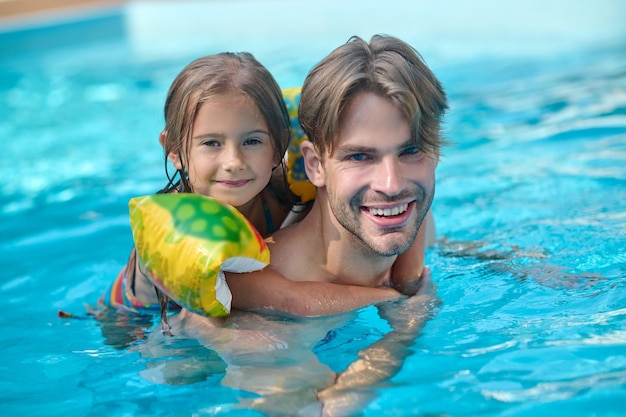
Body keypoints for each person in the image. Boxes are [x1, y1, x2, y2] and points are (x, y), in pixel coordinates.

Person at [163, 34, 448, 415]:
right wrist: (402, 334)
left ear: (435, 153)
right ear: (315, 165)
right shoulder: (258, 327)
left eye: (410, 150)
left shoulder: (412, 220)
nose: (392, 185)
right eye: (360, 156)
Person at [99, 52, 424, 328]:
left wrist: (409, 276)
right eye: (211, 143)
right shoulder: (184, 235)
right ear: (173, 149)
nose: (234, 161)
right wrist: (400, 298)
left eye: (252, 141)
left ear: (278, 145)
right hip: (133, 323)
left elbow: (396, 196)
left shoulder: (292, 184)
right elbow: (293, 302)